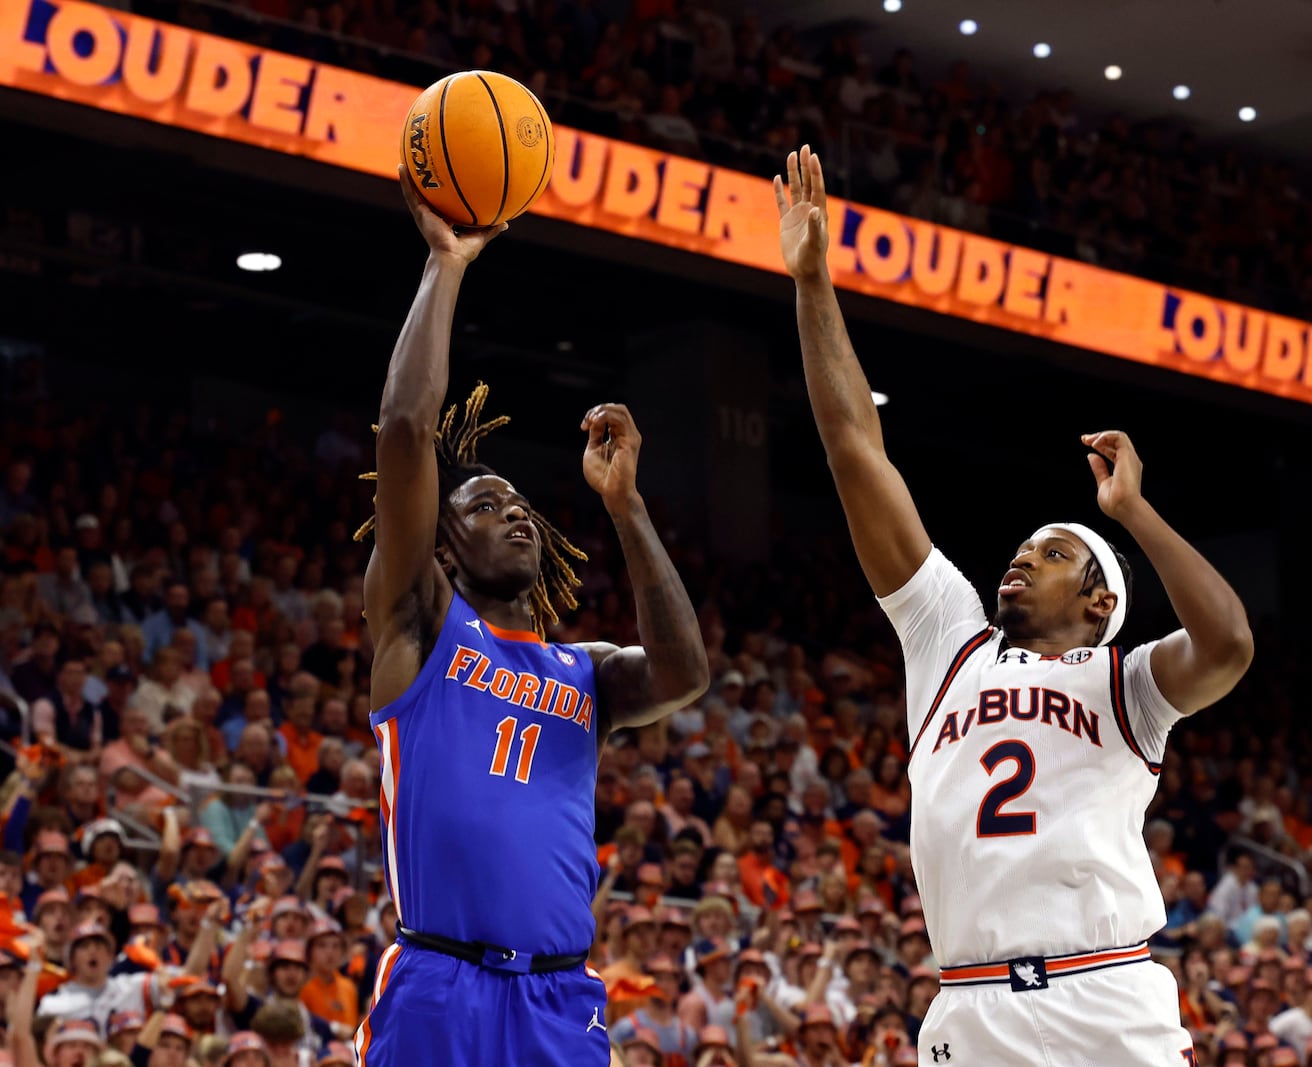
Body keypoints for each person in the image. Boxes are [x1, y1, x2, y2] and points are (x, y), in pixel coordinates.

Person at [774, 144, 1254, 1066]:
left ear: (1100, 597)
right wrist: (812, 280)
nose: (1023, 559)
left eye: (1055, 551)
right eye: (1025, 546)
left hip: (1105, 995)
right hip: (971, 1007)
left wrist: (1133, 512)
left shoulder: (1129, 683)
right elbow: (854, 449)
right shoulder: (947, 637)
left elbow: (1227, 643)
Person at [350, 171, 709, 1065]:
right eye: (482, 505)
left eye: (520, 505)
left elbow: (683, 674)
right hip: (440, 983)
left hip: (560, 995)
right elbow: (403, 428)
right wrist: (445, 263)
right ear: (441, 549)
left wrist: (626, 506)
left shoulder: (583, 672)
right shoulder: (419, 626)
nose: (513, 513)